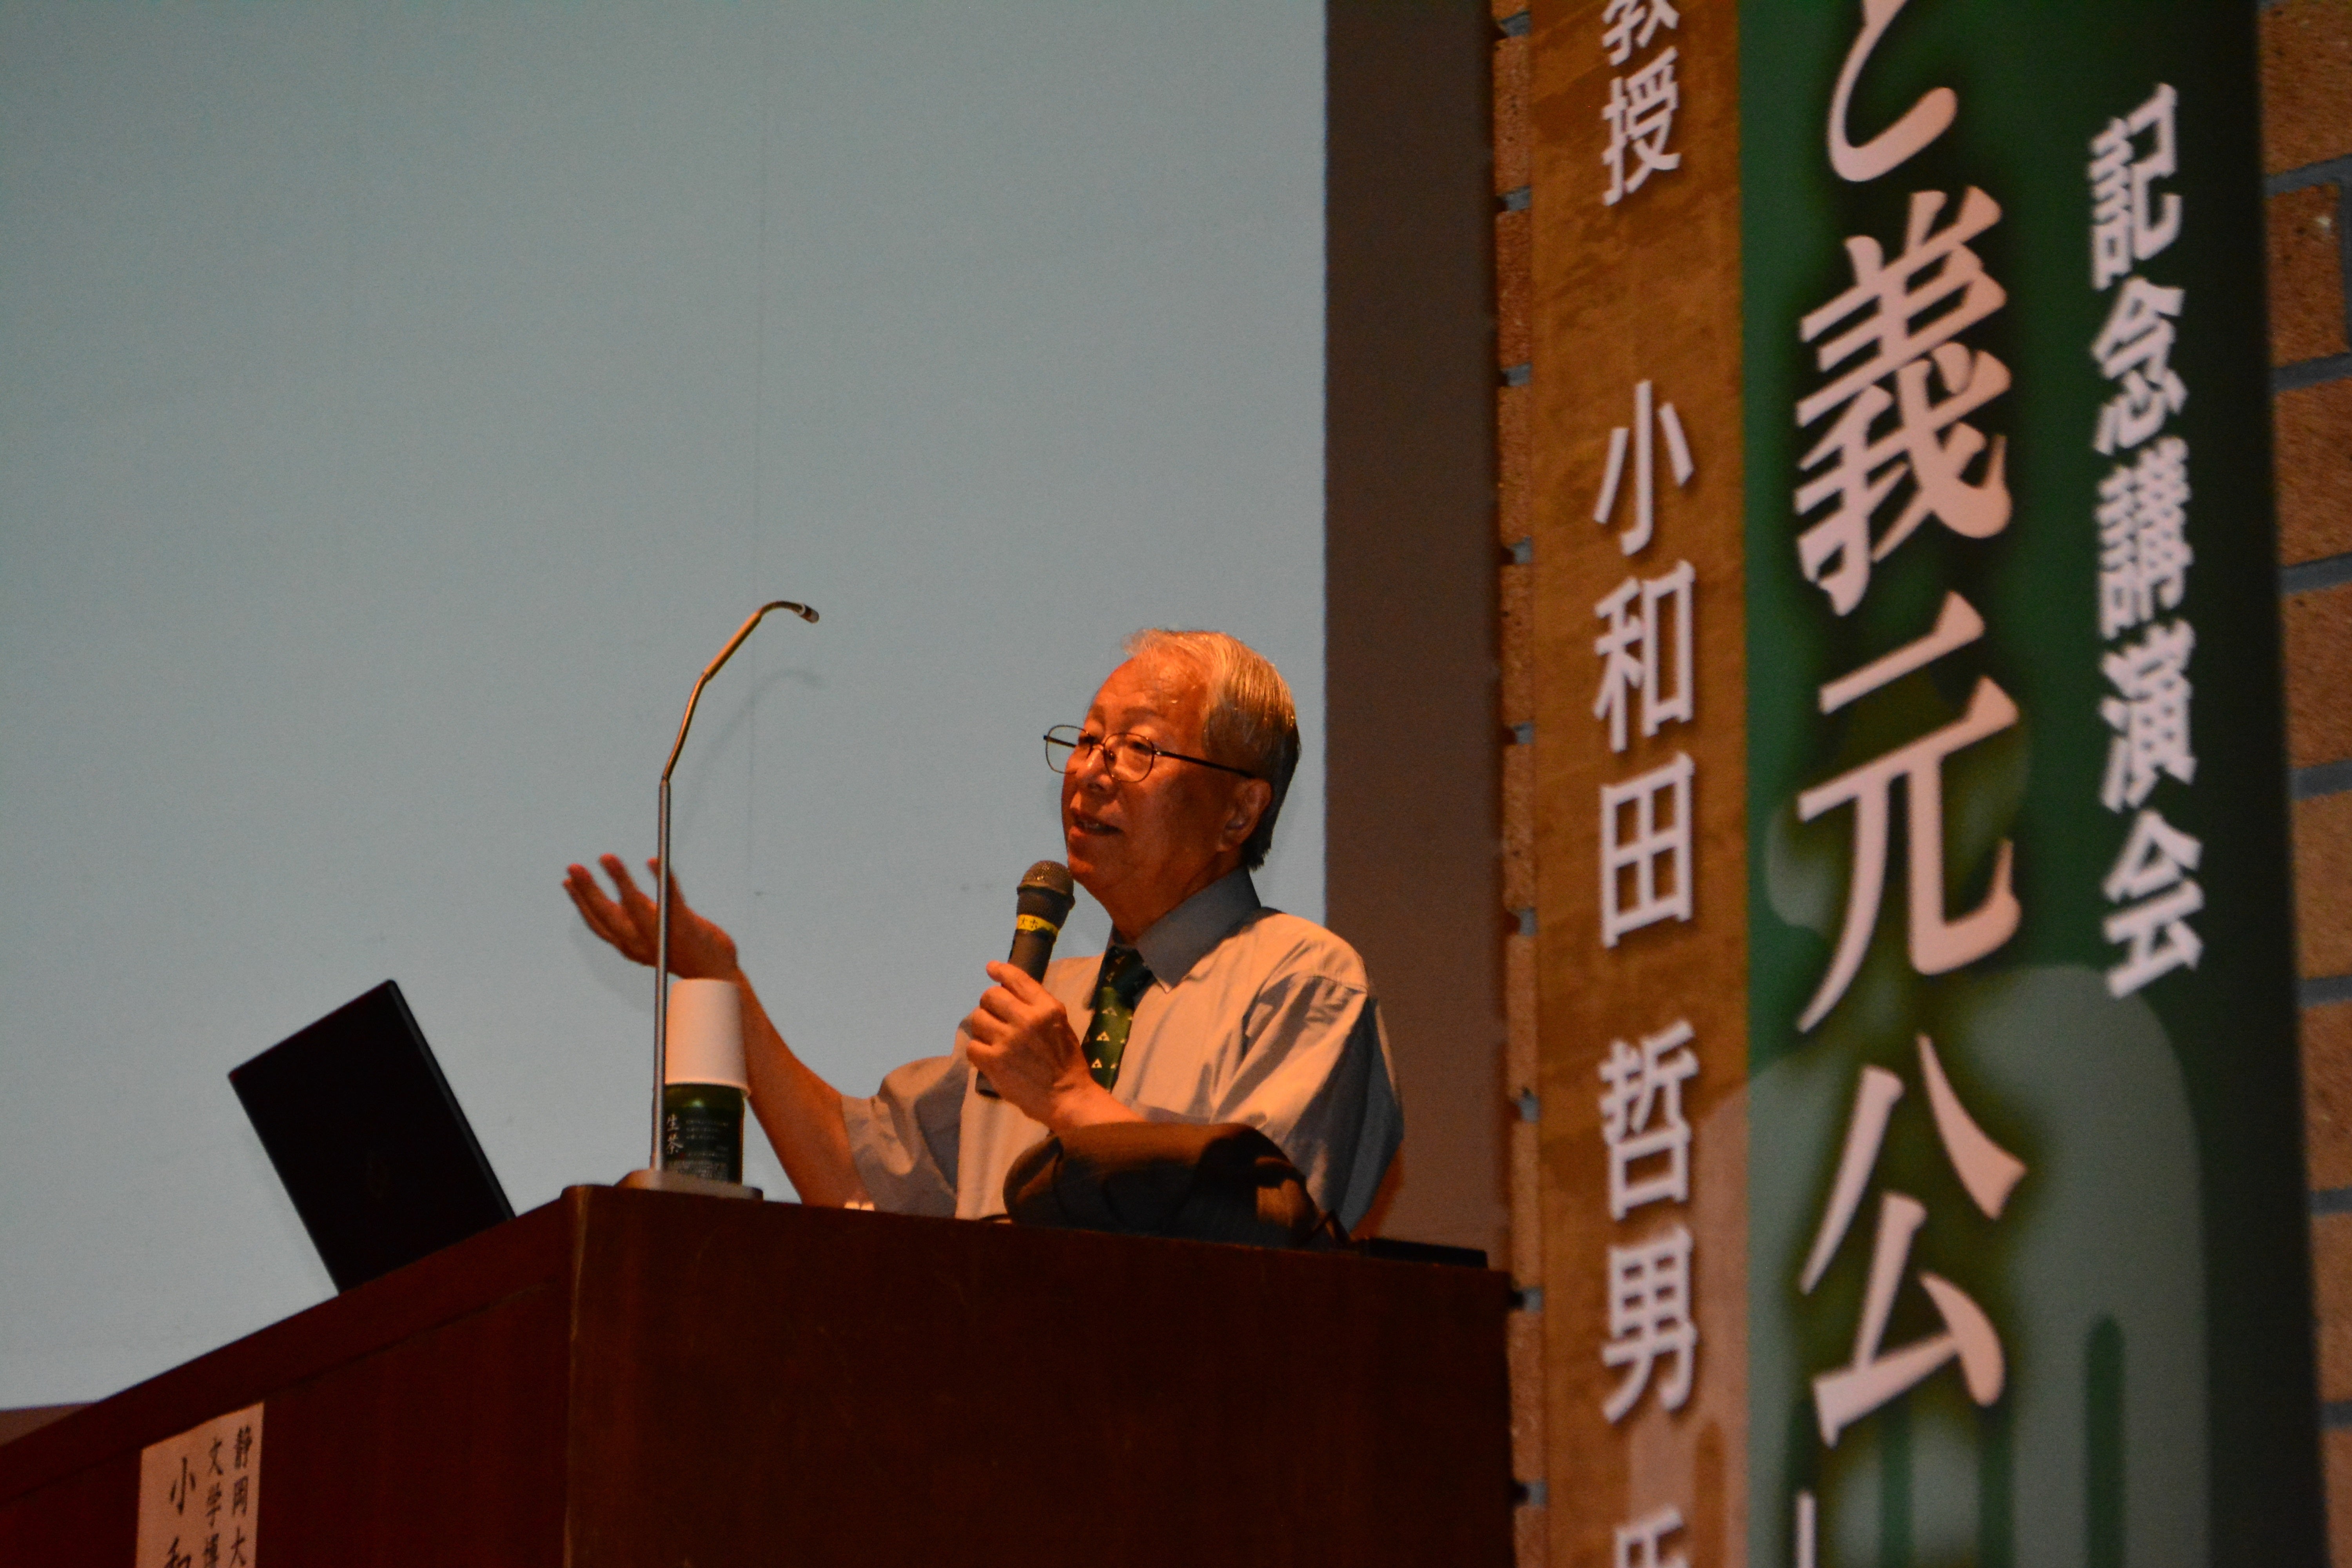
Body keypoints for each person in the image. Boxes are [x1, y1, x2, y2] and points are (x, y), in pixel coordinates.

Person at [563, 628, 1401, 1230]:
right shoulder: (1047, 1006)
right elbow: (861, 1178)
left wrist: (1069, 1098)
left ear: (1241, 810)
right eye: (1088, 741)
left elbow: (1268, 1225)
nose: (1091, 771)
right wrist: (721, 983)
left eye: (1137, 749)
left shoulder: (1300, 979)